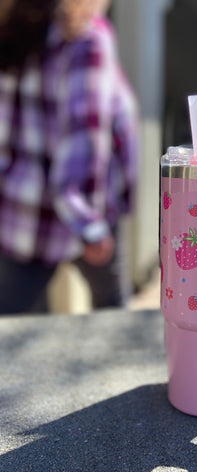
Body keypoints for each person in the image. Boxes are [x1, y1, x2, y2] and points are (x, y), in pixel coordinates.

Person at [0, 0, 138, 314]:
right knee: (113, 318)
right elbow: (84, 136)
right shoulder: (85, 38)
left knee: (10, 329)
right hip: (89, 210)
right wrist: (87, 223)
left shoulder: (10, 29)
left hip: (18, 210)